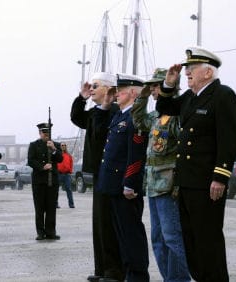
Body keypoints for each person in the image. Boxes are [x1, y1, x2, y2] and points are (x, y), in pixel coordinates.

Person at [156, 46, 236, 282]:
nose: (187, 73)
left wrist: (220, 177)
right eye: (187, 69)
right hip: (187, 182)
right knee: (191, 241)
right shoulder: (191, 98)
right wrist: (169, 84)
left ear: (208, 72)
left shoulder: (223, 95)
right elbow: (163, 108)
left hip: (207, 183)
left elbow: (230, 140)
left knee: (208, 241)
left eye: (192, 69)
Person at [132, 68, 191, 281]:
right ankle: (169, 277)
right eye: (153, 86)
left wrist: (178, 184)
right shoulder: (157, 116)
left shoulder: (176, 116)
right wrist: (144, 95)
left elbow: (184, 151)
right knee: (157, 238)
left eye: (156, 86)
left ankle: (179, 279)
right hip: (154, 186)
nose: (154, 90)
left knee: (172, 237)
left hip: (169, 187)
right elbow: (138, 120)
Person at [71, 72, 125, 282]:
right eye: (90, 86)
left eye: (95, 86)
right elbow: (76, 118)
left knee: (110, 225)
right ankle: (102, 268)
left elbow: (103, 133)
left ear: (108, 89)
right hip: (98, 174)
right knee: (99, 226)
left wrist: (102, 107)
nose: (91, 88)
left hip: (111, 174)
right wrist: (81, 98)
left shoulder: (113, 111)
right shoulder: (95, 112)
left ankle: (114, 271)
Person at [95, 74, 149, 282]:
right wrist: (105, 104)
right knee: (121, 236)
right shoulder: (119, 116)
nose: (117, 93)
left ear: (134, 93)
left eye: (122, 90)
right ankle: (128, 273)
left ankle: (137, 275)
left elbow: (135, 154)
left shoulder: (135, 117)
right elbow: (99, 131)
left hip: (125, 186)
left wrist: (130, 183)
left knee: (131, 235)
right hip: (112, 185)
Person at [27, 122, 63, 240]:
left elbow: (60, 159)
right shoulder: (34, 145)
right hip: (39, 181)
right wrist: (42, 167)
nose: (46, 135)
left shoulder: (55, 145)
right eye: (44, 132)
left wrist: (53, 149)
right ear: (40, 133)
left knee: (51, 207)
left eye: (48, 132)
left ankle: (51, 231)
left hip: (52, 181)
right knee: (39, 208)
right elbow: (31, 161)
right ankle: (40, 232)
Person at [57, 143, 74, 208]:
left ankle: (71, 204)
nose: (63, 146)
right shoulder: (58, 155)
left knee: (69, 189)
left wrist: (70, 170)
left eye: (64, 145)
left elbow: (71, 164)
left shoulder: (69, 155)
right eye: (62, 145)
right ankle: (56, 204)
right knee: (56, 190)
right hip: (59, 174)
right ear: (60, 147)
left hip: (67, 174)